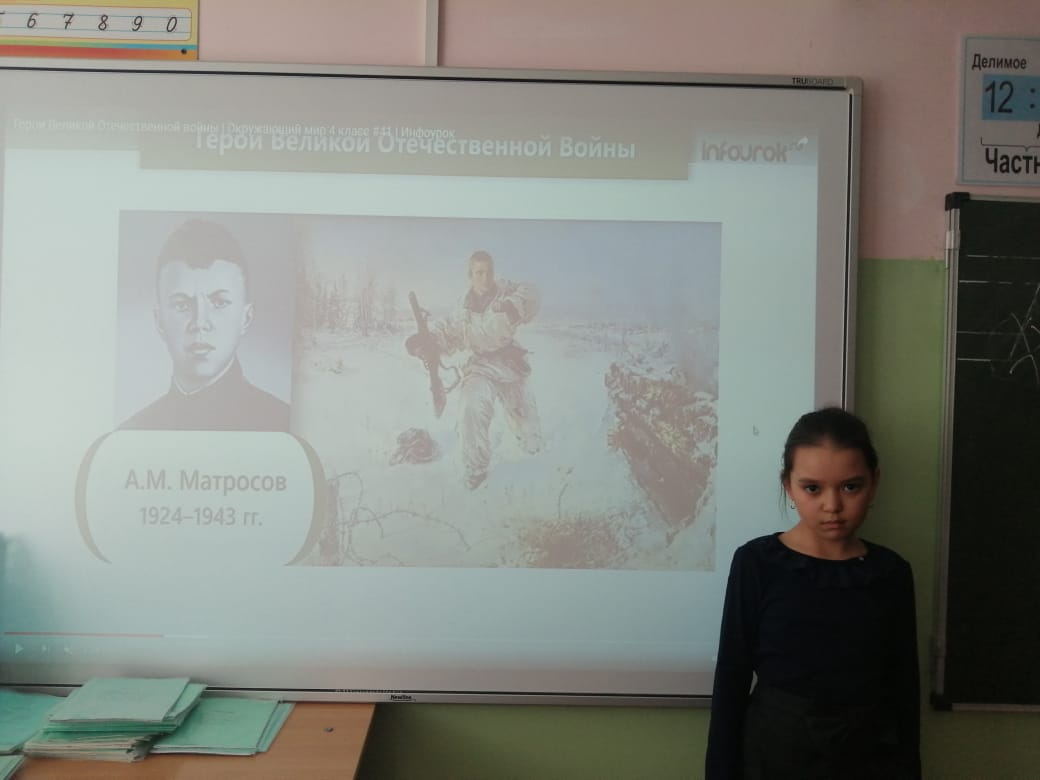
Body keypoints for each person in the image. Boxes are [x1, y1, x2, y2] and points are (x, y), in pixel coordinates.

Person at [705, 407, 920, 779]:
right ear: (788, 485)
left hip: (868, 761)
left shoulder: (891, 573)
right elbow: (731, 678)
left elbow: (904, 690)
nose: (832, 506)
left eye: (851, 487)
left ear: (874, 482)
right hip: (773, 758)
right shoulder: (757, 563)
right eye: (812, 488)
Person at [121, 218, 290, 432]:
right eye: (182, 305)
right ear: (159, 321)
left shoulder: (282, 427)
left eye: (219, 303)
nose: (200, 323)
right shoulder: (129, 434)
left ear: (246, 318)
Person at [406, 250, 542, 489]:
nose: (485, 278)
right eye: (479, 273)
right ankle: (476, 469)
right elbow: (448, 332)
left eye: (489, 272)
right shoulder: (463, 307)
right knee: (470, 408)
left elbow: (534, 295)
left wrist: (513, 305)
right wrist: (426, 341)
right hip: (481, 366)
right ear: (470, 275)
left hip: (510, 364)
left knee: (528, 430)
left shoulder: (506, 291)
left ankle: (535, 458)